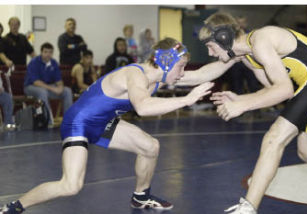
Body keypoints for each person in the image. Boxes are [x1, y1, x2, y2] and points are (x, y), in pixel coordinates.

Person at [0, 37, 214, 214]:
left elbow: (202, 75)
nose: (183, 72)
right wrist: (187, 100)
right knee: (71, 186)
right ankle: (14, 207)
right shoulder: (135, 75)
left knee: (150, 147)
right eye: (181, 66)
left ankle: (141, 197)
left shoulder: (157, 77)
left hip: (103, 122)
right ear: (166, 62)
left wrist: (236, 55)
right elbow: (143, 108)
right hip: (79, 123)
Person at [178, 12, 307, 214]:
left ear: (224, 38)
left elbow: (284, 90)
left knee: (274, 138)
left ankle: (248, 208)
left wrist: (243, 104)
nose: (210, 53)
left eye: (210, 46)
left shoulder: (261, 41)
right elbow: (203, 74)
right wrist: (159, 78)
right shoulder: (246, 56)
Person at [24, 42, 73, 126]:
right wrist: (54, 89)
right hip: (31, 87)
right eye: (45, 52)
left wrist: (60, 88)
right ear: (41, 52)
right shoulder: (34, 62)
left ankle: (68, 121)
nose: (48, 54)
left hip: (47, 88)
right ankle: (48, 121)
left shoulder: (54, 63)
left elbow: (59, 80)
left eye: (50, 52)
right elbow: (36, 82)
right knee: (42, 92)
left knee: (67, 91)